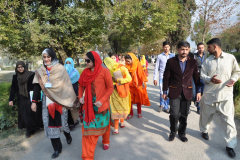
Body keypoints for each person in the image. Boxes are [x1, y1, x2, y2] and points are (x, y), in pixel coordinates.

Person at [31, 48, 79, 159]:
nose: (46, 59)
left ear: (52, 56)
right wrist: (34, 102)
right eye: (44, 57)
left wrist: (70, 100)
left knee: (63, 123)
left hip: (61, 101)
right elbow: (36, 88)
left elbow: (67, 86)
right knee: (50, 125)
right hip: (47, 102)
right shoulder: (40, 71)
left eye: (48, 57)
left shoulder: (60, 69)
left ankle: (67, 134)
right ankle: (57, 148)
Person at [199, 38, 240, 158]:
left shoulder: (230, 58)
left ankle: (230, 145)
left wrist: (233, 79)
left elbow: (236, 71)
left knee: (228, 120)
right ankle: (204, 130)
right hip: (209, 95)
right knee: (205, 116)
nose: (207, 49)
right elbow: (202, 75)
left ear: (215, 47)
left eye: (209, 47)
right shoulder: (207, 61)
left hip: (225, 95)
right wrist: (210, 79)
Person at [163, 41, 201, 142]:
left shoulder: (193, 62)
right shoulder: (171, 61)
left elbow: (196, 77)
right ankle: (172, 131)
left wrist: (198, 91)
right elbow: (166, 77)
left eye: (186, 49)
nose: (184, 51)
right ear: (178, 50)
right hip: (174, 91)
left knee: (184, 115)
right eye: (182, 49)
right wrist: (164, 91)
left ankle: (182, 133)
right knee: (174, 114)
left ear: (189, 50)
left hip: (187, 92)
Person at [79, 51, 113, 160]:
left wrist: (102, 100)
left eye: (88, 60)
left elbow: (110, 88)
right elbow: (80, 85)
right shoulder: (85, 72)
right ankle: (87, 157)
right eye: (85, 60)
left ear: (95, 60)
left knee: (105, 126)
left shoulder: (105, 71)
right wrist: (80, 96)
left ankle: (106, 141)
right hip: (88, 106)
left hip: (101, 106)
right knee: (88, 133)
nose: (86, 62)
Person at [9, 61, 43, 138]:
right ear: (16, 68)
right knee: (25, 115)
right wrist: (10, 99)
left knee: (32, 113)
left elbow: (36, 87)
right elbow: (13, 89)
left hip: (30, 97)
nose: (20, 68)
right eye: (18, 67)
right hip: (21, 98)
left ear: (24, 67)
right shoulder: (15, 77)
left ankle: (34, 128)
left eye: (22, 67)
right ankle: (29, 130)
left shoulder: (31, 75)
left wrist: (36, 98)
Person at [103, 57, 132, 135]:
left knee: (121, 107)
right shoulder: (108, 71)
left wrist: (119, 80)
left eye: (106, 65)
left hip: (123, 91)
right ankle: (116, 129)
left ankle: (122, 122)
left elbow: (129, 78)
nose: (106, 66)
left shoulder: (122, 68)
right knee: (115, 109)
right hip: (114, 92)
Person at [125, 53, 151, 119]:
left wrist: (142, 82)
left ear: (132, 59)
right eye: (126, 61)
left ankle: (139, 112)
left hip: (138, 84)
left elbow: (140, 74)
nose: (127, 62)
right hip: (130, 84)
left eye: (128, 61)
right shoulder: (127, 66)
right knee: (130, 100)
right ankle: (131, 113)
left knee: (138, 99)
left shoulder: (137, 63)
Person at [153, 41, 175, 113]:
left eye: (167, 47)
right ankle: (161, 104)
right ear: (163, 47)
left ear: (169, 47)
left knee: (168, 92)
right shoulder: (160, 56)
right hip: (162, 77)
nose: (166, 48)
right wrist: (154, 78)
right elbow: (156, 67)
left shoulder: (173, 56)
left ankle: (166, 107)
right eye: (165, 47)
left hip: (170, 78)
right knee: (162, 92)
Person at [64, 58, 80, 130]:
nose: (68, 64)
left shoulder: (75, 72)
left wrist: (78, 94)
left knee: (73, 107)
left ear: (72, 63)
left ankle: (74, 121)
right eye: (66, 63)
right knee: (67, 108)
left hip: (74, 91)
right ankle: (69, 123)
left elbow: (79, 83)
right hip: (65, 92)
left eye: (69, 63)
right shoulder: (62, 72)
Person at [193, 43, 207, 114]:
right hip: (196, 76)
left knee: (202, 92)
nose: (201, 49)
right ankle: (197, 103)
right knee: (195, 92)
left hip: (204, 76)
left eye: (202, 47)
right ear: (197, 48)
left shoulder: (206, 55)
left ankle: (199, 106)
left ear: (204, 48)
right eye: (199, 48)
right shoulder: (194, 56)